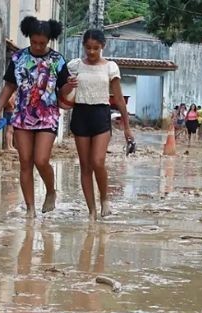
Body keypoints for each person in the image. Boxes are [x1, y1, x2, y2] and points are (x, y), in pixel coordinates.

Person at [0, 16, 73, 217]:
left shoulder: (57, 60)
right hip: (22, 116)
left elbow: (64, 90)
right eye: (34, 42)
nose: (37, 46)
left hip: (48, 116)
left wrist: (71, 86)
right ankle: (30, 209)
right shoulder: (18, 58)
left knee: (41, 159)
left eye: (42, 43)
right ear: (29, 38)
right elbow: (9, 85)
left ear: (49, 41)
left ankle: (51, 191)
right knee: (25, 161)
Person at [65, 29, 133, 220]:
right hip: (80, 113)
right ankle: (91, 211)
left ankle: (104, 199)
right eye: (88, 48)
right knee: (85, 166)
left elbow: (119, 99)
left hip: (101, 114)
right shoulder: (75, 66)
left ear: (103, 46)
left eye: (96, 48)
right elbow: (62, 90)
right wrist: (68, 85)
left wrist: (127, 127)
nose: (92, 52)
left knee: (97, 161)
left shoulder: (111, 67)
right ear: (83, 46)